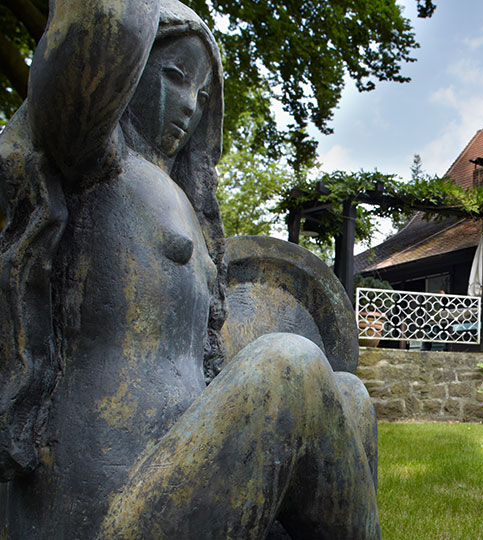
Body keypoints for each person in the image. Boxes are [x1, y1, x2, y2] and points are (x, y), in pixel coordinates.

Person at [0, 1, 379, 538]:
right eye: (174, 78)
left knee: (351, 399)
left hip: (173, 469)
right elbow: (104, 27)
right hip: (99, 501)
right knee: (288, 369)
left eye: (201, 96)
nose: (188, 107)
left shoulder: (179, 201)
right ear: (126, 74)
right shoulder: (95, 164)